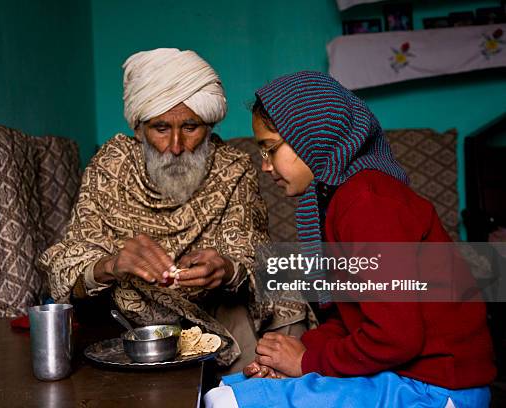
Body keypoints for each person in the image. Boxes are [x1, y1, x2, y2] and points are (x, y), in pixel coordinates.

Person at [204, 71, 496, 407]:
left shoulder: (368, 202)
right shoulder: (341, 200)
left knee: (230, 402)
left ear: (310, 136)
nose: (265, 166)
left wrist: (306, 363)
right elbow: (355, 320)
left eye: (270, 149)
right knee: (229, 388)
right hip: (404, 374)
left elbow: (396, 337)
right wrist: (296, 356)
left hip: (437, 388)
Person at [38, 49, 314, 370]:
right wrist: (112, 265)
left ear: (209, 127)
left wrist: (225, 269)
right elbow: (65, 265)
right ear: (139, 130)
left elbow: (251, 255)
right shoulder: (111, 166)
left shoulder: (232, 167)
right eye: (160, 128)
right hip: (133, 325)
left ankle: (263, 386)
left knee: (285, 281)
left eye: (191, 127)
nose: (176, 147)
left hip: (217, 311)